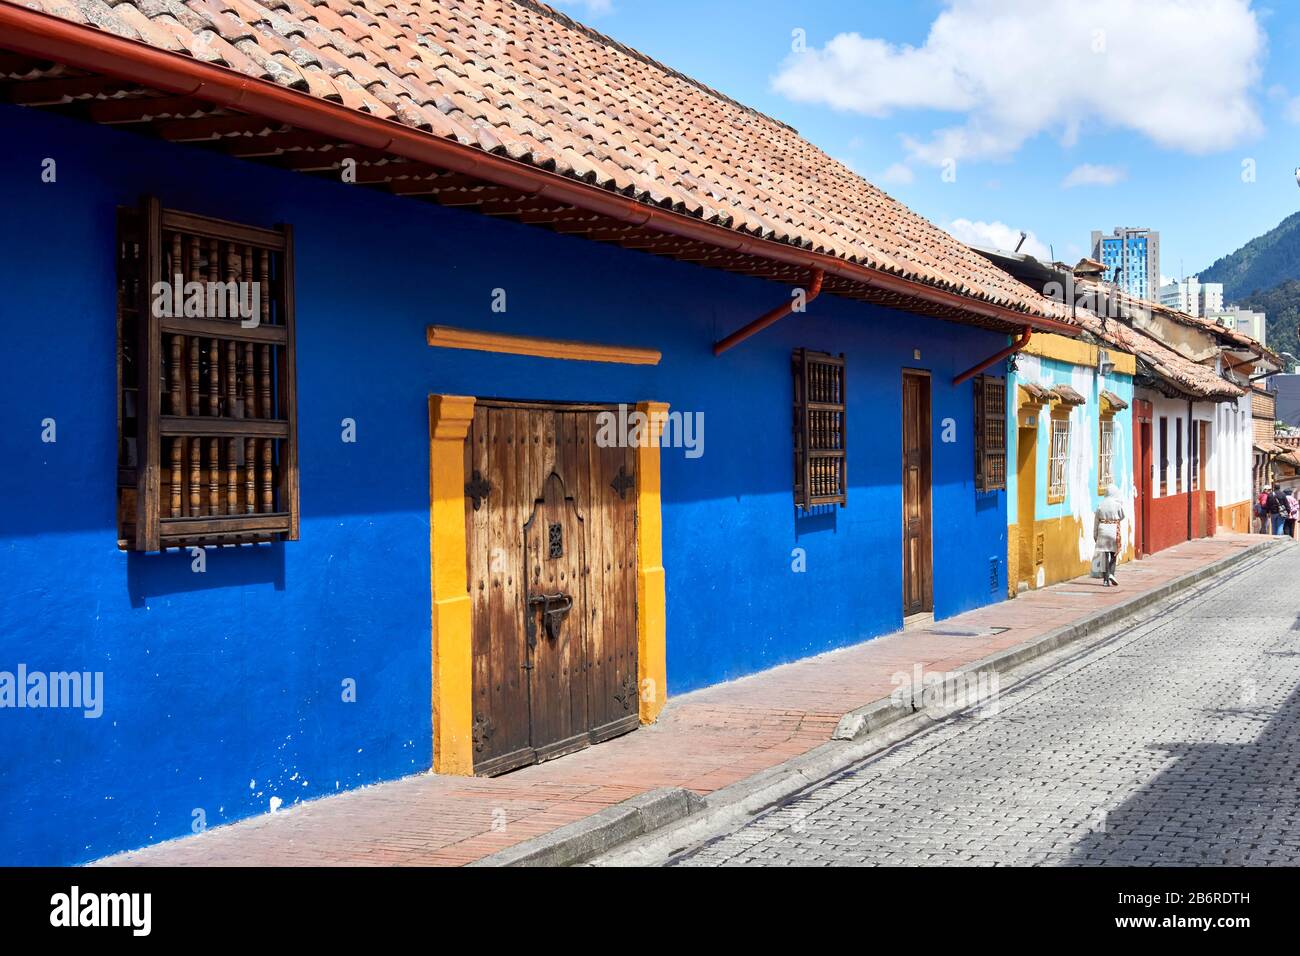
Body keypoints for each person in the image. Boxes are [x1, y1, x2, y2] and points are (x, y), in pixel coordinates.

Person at [1093, 484, 1125, 587]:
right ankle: (1111, 573)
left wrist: (1095, 535)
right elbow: (1122, 516)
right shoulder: (1117, 504)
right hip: (1113, 529)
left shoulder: (1100, 504)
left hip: (1102, 529)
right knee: (1114, 553)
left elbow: (1096, 521)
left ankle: (1105, 581)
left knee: (1105, 556)